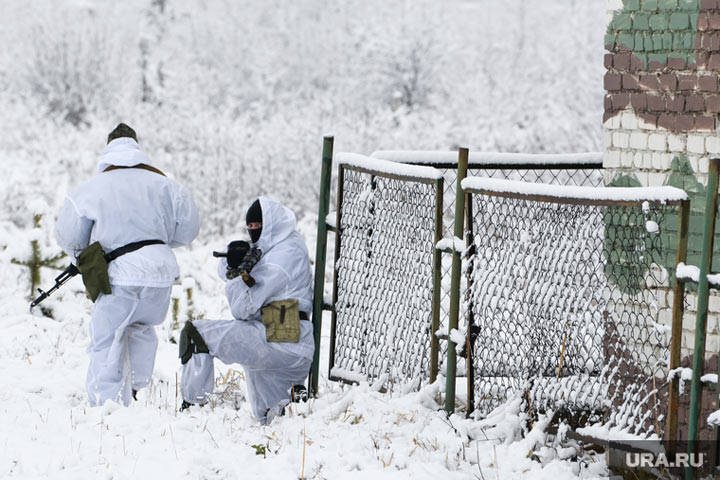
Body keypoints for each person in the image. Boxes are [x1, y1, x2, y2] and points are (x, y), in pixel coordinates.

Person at [54, 123, 200, 406]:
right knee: (142, 329)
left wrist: (84, 258)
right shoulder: (167, 185)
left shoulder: (92, 188)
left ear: (108, 149)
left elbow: (69, 235)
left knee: (107, 340)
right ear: (137, 147)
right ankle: (137, 390)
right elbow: (188, 231)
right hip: (160, 274)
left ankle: (106, 406)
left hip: (118, 275)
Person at [180, 197, 314, 424]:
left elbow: (241, 308)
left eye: (257, 226)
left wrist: (235, 271)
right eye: (250, 227)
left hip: (282, 336)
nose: (253, 232)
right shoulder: (282, 244)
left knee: (196, 334)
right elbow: (238, 262)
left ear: (270, 224)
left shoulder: (280, 258)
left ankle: (192, 411)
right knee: (275, 422)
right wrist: (233, 258)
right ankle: (292, 411)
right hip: (286, 337)